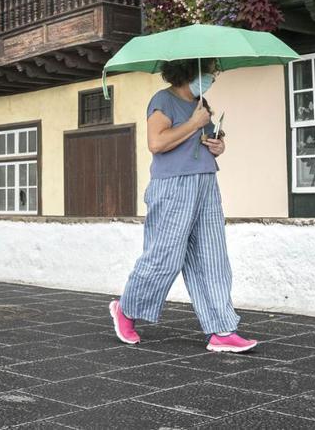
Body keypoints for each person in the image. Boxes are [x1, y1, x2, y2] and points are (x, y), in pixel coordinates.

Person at [109, 58, 258, 353]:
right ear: (188, 70)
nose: (212, 76)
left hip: (205, 182)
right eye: (208, 71)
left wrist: (217, 145)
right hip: (173, 185)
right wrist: (194, 123)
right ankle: (126, 309)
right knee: (164, 256)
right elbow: (156, 143)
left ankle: (222, 329)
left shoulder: (202, 103)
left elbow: (201, 141)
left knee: (212, 256)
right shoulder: (162, 99)